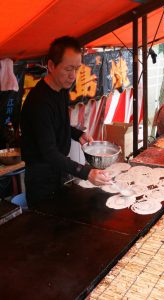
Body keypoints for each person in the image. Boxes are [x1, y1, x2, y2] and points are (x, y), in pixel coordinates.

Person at [20, 36, 111, 208]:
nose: (73, 76)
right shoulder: (40, 102)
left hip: (58, 170)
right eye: (68, 69)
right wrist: (87, 172)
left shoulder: (61, 89)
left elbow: (57, 125)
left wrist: (78, 134)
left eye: (77, 69)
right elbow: (49, 152)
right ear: (51, 66)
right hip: (41, 178)